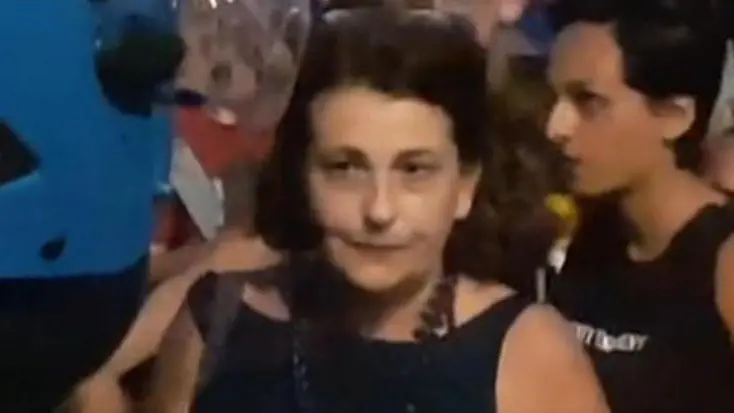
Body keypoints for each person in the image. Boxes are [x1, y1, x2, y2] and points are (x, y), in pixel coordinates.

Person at [144, 6, 608, 413]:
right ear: (303, 174)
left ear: (465, 185)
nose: (379, 210)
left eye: (415, 170)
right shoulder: (218, 323)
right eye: (345, 168)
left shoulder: (529, 355)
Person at [544, 0, 734, 411]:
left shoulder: (724, 261)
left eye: (588, 101)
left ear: (675, 116)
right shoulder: (590, 238)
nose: (555, 127)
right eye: (554, 97)